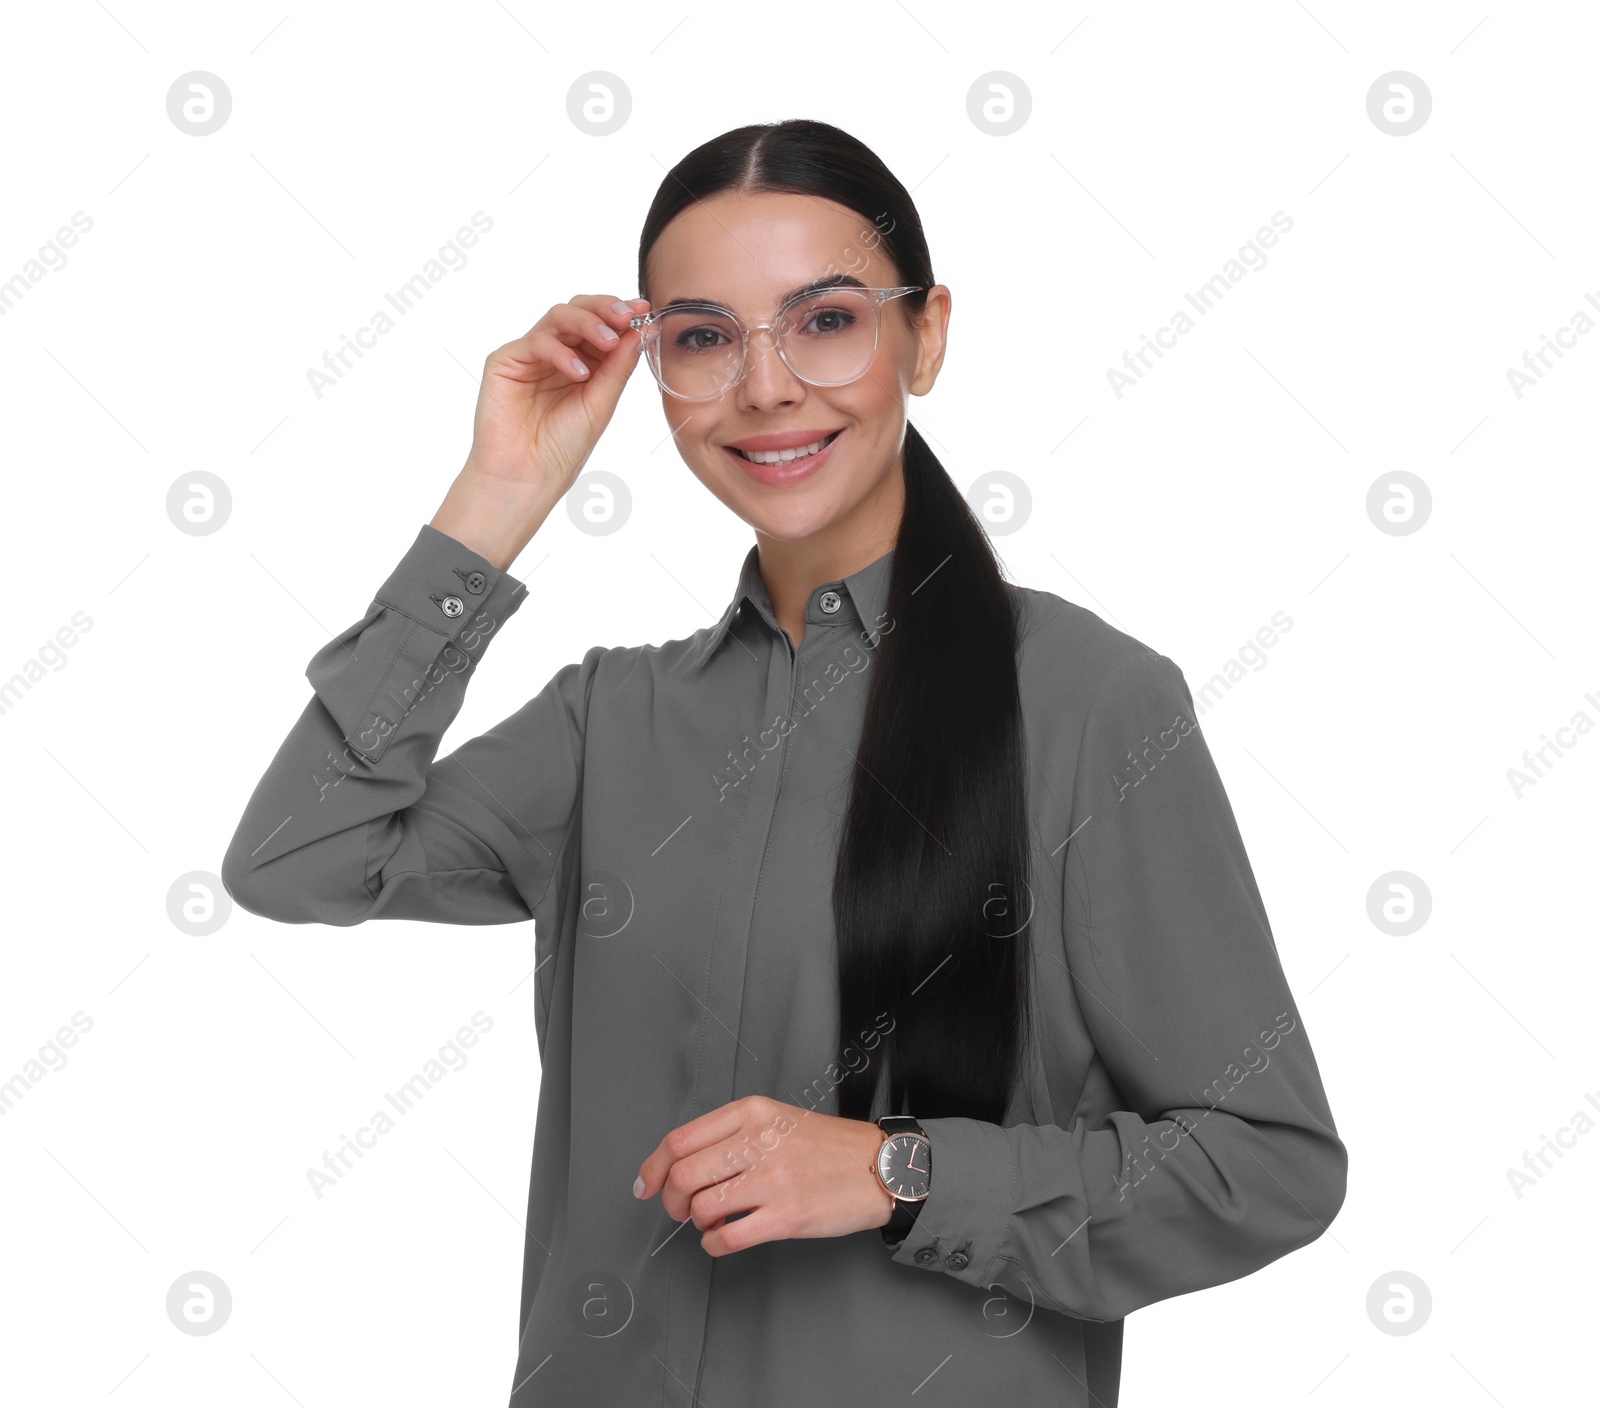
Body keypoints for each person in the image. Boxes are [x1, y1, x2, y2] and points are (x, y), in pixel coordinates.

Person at [222, 117, 1347, 1408]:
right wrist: (496, 497)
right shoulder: (609, 723)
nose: (764, 388)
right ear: (654, 373)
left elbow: (1268, 1165)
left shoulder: (1094, 707)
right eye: (703, 339)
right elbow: (297, 854)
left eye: (825, 320)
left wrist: (894, 1173)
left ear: (924, 337)